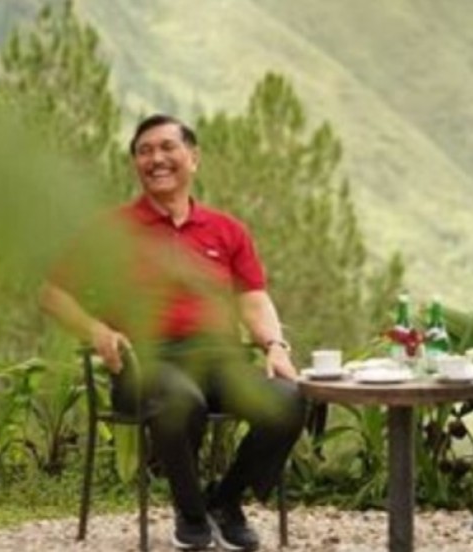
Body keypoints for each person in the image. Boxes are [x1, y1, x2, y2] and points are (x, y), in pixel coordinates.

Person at [41, 114, 305, 551]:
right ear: (135, 165)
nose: (156, 158)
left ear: (193, 158)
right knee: (180, 398)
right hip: (145, 364)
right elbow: (52, 295)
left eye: (167, 148)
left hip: (220, 361)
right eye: (144, 151)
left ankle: (224, 501)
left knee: (289, 398)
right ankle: (192, 514)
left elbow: (253, 298)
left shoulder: (227, 229)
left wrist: (275, 346)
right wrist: (96, 330)